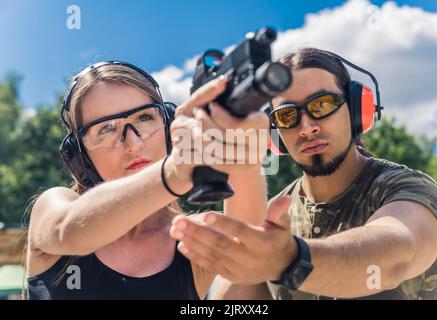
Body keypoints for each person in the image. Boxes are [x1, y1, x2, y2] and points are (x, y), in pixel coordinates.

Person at [170, 48, 437, 300]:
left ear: (355, 108)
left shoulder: (408, 189)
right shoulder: (275, 218)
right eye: (287, 116)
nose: (306, 127)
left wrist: (289, 259)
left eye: (322, 105)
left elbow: (393, 257)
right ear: (274, 133)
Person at [26, 61, 269, 299]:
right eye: (106, 128)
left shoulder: (191, 237)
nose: (134, 144)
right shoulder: (55, 207)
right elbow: (68, 231)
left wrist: (242, 155)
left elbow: (247, 253)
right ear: (80, 157)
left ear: (169, 126)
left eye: (144, 118)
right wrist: (173, 171)